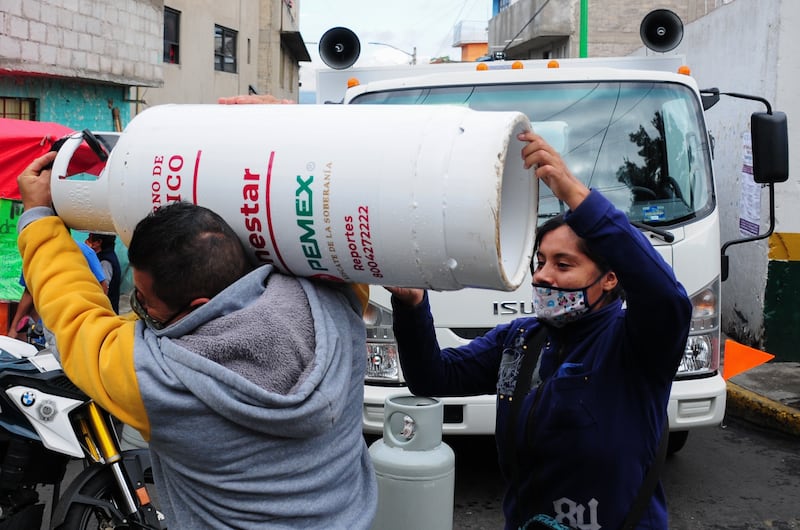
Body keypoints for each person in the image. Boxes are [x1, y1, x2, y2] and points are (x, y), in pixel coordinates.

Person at [16, 150, 377, 528]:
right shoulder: (334, 305)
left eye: (146, 303)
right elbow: (326, 215)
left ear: (198, 305)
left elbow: (74, 316)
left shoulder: (160, 379)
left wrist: (39, 217)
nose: (139, 309)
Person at [388, 132, 692, 530]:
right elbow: (432, 375)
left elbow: (667, 297)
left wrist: (574, 195)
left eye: (563, 265)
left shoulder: (635, 344)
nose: (543, 276)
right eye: (541, 261)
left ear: (610, 279)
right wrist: (412, 306)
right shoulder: (520, 339)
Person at [6, 237, 108, 341]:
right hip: (44, 322)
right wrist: (14, 328)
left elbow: (102, 287)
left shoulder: (83, 252)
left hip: (76, 320)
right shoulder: (33, 255)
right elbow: (29, 292)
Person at [85, 232, 122, 313]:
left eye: (89, 238)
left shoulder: (105, 262)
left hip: (106, 312)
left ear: (98, 243)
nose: (86, 241)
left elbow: (103, 288)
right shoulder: (103, 256)